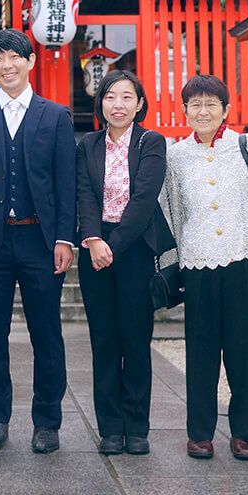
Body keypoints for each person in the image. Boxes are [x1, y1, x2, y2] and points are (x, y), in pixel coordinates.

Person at [0, 28, 76, 454]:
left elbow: (66, 183)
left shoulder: (55, 116)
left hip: (41, 240)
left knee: (47, 334)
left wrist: (65, 238)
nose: (6, 65)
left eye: (14, 57)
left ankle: (47, 422)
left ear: (30, 62)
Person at [163, 74, 248, 462]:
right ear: (185, 111)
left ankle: (243, 433)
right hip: (197, 263)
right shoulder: (175, 156)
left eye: (211, 104)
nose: (203, 111)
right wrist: (174, 263)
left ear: (226, 109)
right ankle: (199, 433)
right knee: (200, 350)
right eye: (195, 105)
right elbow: (173, 211)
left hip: (245, 259)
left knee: (243, 349)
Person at [75, 70, 175, 456]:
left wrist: (111, 247)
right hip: (94, 247)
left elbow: (144, 200)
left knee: (135, 340)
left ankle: (136, 427)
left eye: (127, 97)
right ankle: (110, 429)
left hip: (134, 250)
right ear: (100, 103)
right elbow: (84, 194)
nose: (118, 105)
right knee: (103, 341)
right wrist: (93, 239)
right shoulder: (88, 144)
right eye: (110, 97)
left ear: (140, 104)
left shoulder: (151, 143)